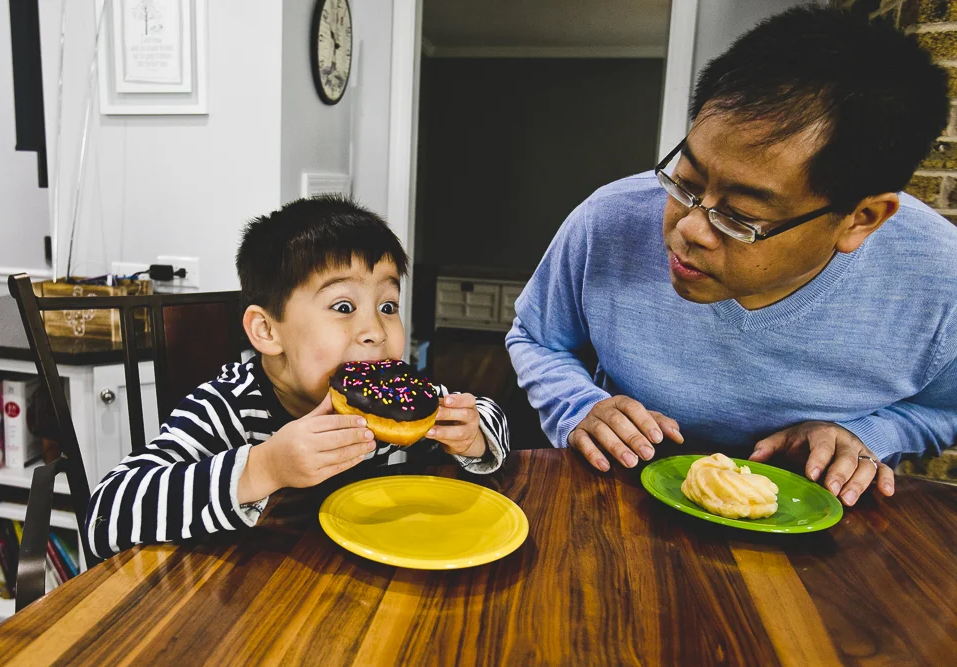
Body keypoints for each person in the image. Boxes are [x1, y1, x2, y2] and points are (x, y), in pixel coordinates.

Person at [506, 6, 956, 507]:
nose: (689, 228)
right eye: (687, 181)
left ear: (861, 218)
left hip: (816, 531)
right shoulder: (608, 219)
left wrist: (871, 434)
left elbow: (947, 410)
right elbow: (536, 336)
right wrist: (580, 406)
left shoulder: (941, 281)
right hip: (620, 493)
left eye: (740, 216)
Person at [86, 196, 509, 558]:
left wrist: (472, 436)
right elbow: (105, 515)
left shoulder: (398, 403)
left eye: (388, 305)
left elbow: (492, 418)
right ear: (268, 332)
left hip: (388, 577)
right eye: (343, 307)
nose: (376, 332)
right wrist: (263, 467)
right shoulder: (227, 408)